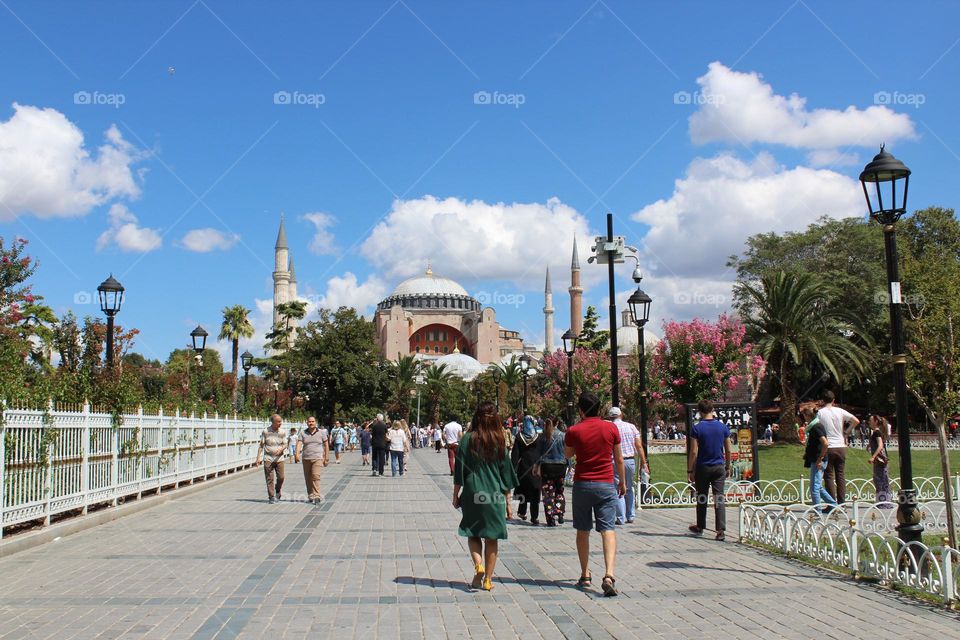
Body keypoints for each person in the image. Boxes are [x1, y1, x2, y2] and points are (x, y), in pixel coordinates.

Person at [564, 392, 625, 597]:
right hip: (606, 483)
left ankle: (584, 574)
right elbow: (619, 459)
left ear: (580, 410)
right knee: (608, 530)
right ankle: (609, 575)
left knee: (583, 530)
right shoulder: (611, 428)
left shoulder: (574, 430)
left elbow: (568, 454)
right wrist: (622, 482)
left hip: (583, 484)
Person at [453, 401, 518, 592]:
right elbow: (506, 475)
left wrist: (456, 495)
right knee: (492, 538)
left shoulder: (467, 439)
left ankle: (478, 565)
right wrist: (509, 504)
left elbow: (459, 471)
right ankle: (488, 579)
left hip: (472, 491)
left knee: (472, 532)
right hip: (494, 493)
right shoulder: (499, 440)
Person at [687, 399, 732, 541]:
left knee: (702, 497)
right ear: (712, 410)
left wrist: (690, 470)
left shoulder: (697, 428)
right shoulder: (723, 427)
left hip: (703, 467)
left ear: (700, 412)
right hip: (719, 466)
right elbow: (728, 449)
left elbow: (694, 451)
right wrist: (728, 466)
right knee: (719, 498)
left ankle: (700, 526)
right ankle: (720, 530)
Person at [816, 390, 859, 504]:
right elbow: (855, 421)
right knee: (840, 475)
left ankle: (832, 504)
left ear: (822, 401)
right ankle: (842, 503)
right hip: (840, 446)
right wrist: (846, 432)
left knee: (829, 476)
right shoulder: (840, 411)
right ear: (833, 400)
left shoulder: (820, 413)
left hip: (828, 446)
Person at [608, 407, 648, 525]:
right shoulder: (631, 427)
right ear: (621, 415)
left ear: (610, 417)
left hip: (615, 461)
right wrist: (644, 462)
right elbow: (638, 445)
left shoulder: (610, 427)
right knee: (629, 487)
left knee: (618, 488)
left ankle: (620, 517)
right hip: (629, 460)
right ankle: (630, 515)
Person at [802, 406, 837, 511]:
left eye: (804, 415)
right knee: (818, 486)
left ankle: (818, 512)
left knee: (814, 488)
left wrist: (820, 459)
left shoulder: (816, 427)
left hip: (819, 460)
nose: (803, 418)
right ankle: (834, 505)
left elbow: (825, 443)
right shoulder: (814, 427)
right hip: (816, 459)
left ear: (808, 415)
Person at [536, 418, 568, 527]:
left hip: (547, 467)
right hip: (560, 467)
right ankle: (559, 512)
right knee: (559, 491)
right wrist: (568, 465)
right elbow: (566, 452)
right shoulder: (563, 435)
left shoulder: (543, 437)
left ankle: (550, 519)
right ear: (557, 423)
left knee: (548, 494)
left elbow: (539, 453)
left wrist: (536, 466)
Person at [511, 416, 542, 525]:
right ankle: (534, 517)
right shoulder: (538, 437)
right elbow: (541, 452)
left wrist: (513, 468)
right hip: (535, 467)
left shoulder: (519, 436)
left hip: (523, 467)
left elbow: (515, 455)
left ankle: (522, 512)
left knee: (523, 490)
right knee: (535, 491)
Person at [255, 414, 289, 503]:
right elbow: (261, 445)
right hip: (268, 458)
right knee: (269, 478)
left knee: (281, 477)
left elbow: (286, 444)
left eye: (281, 421)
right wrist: (258, 458)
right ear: (273, 422)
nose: (280, 423)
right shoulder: (266, 431)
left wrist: (281, 449)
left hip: (279, 459)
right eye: (278, 422)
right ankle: (271, 496)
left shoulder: (282, 432)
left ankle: (278, 489)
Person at [296, 416, 329, 504]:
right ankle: (311, 494)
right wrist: (297, 454)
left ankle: (317, 496)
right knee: (308, 477)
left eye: (312, 421)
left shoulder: (321, 433)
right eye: (309, 421)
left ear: (315, 422)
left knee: (315, 476)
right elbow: (299, 443)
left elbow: (326, 445)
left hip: (317, 458)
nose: (311, 423)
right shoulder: (303, 433)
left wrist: (326, 457)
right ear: (307, 423)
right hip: (306, 458)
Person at [867, 415, 893, 506]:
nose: (869, 422)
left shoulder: (877, 432)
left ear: (876, 422)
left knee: (881, 480)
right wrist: (869, 445)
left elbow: (880, 445)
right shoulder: (875, 432)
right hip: (879, 461)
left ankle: (884, 502)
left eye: (870, 420)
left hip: (880, 461)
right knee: (879, 479)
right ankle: (882, 501)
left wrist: (873, 457)